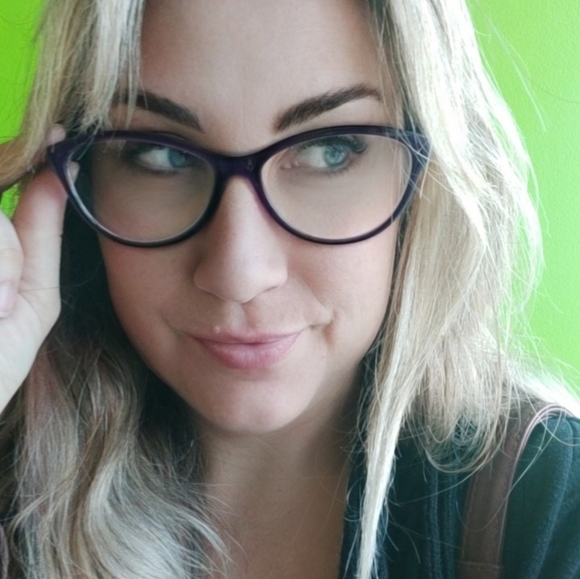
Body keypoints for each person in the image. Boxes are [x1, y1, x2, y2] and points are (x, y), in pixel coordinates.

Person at [0, 0, 579, 578]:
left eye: (329, 150)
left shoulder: (550, 504)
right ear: (70, 180)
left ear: (431, 176)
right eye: (161, 154)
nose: (239, 274)